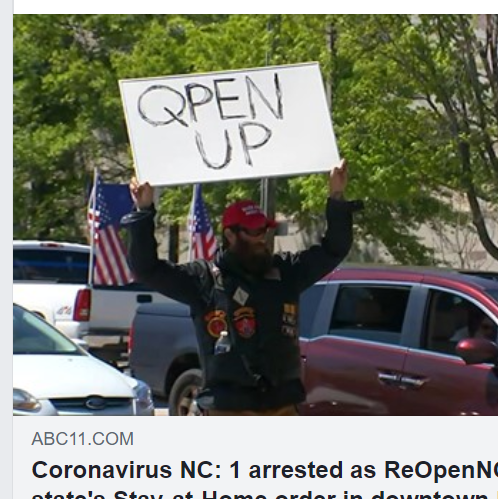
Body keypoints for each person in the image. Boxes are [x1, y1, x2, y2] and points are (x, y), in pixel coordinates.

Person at [122, 160, 361, 416]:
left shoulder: (286, 272)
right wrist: (144, 211)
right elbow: (147, 269)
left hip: (281, 406)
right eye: (253, 231)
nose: (261, 238)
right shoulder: (204, 279)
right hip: (229, 408)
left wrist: (337, 196)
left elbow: (333, 249)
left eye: (264, 230)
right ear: (231, 235)